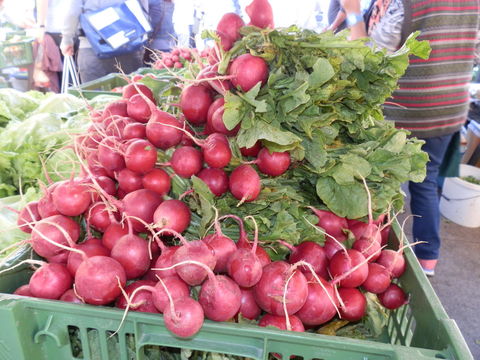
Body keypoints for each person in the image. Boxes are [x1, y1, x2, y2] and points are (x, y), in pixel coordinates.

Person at [341, 0, 480, 276]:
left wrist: (352, 13)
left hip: (408, 113)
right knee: (429, 180)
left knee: (382, 182)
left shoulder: (408, 4)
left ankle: (375, 255)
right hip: (450, 110)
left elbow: (372, 56)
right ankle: (428, 258)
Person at [60, 0, 148, 83]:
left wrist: (67, 40)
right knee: (130, 94)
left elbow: (72, 13)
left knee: (95, 96)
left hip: (92, 48)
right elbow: (143, 11)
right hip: (129, 45)